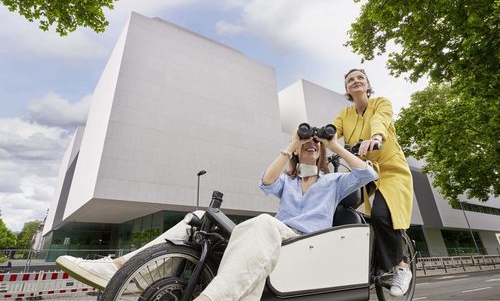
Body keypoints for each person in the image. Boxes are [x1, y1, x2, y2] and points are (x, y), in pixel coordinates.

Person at [57, 130, 378, 300]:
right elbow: (265, 181)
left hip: (306, 241)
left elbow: (366, 175)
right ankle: (119, 269)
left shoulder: (334, 181)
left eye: (313, 145)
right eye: (305, 144)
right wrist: (291, 143)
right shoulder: (289, 181)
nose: (310, 146)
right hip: (277, 235)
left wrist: (333, 145)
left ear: (320, 152)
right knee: (199, 215)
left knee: (265, 222)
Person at [333, 68, 414, 297]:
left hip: (390, 169)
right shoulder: (344, 114)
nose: (355, 81)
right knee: (336, 207)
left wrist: (376, 137)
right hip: (364, 172)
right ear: (347, 89)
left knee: (381, 214)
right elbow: (331, 133)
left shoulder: (381, 103)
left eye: (360, 78)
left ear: (368, 85)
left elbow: (380, 120)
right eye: (350, 80)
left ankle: (401, 265)